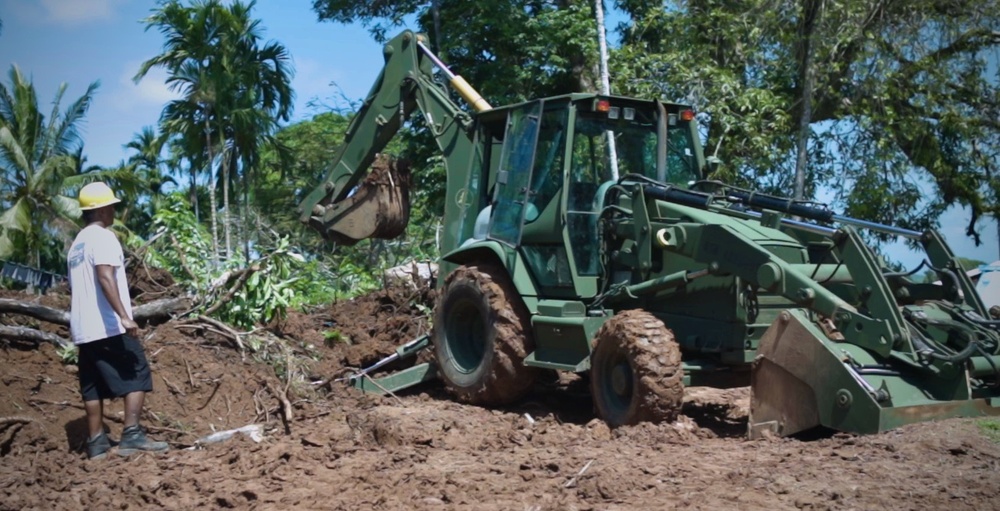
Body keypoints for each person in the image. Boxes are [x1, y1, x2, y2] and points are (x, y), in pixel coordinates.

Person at [67, 182, 168, 459]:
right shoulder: (104, 237)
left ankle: (97, 441)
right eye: (112, 206)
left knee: (92, 383)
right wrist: (124, 316)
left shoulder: (77, 244)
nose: (114, 210)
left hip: (83, 328)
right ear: (100, 210)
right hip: (107, 324)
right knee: (136, 369)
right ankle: (132, 435)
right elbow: (104, 276)